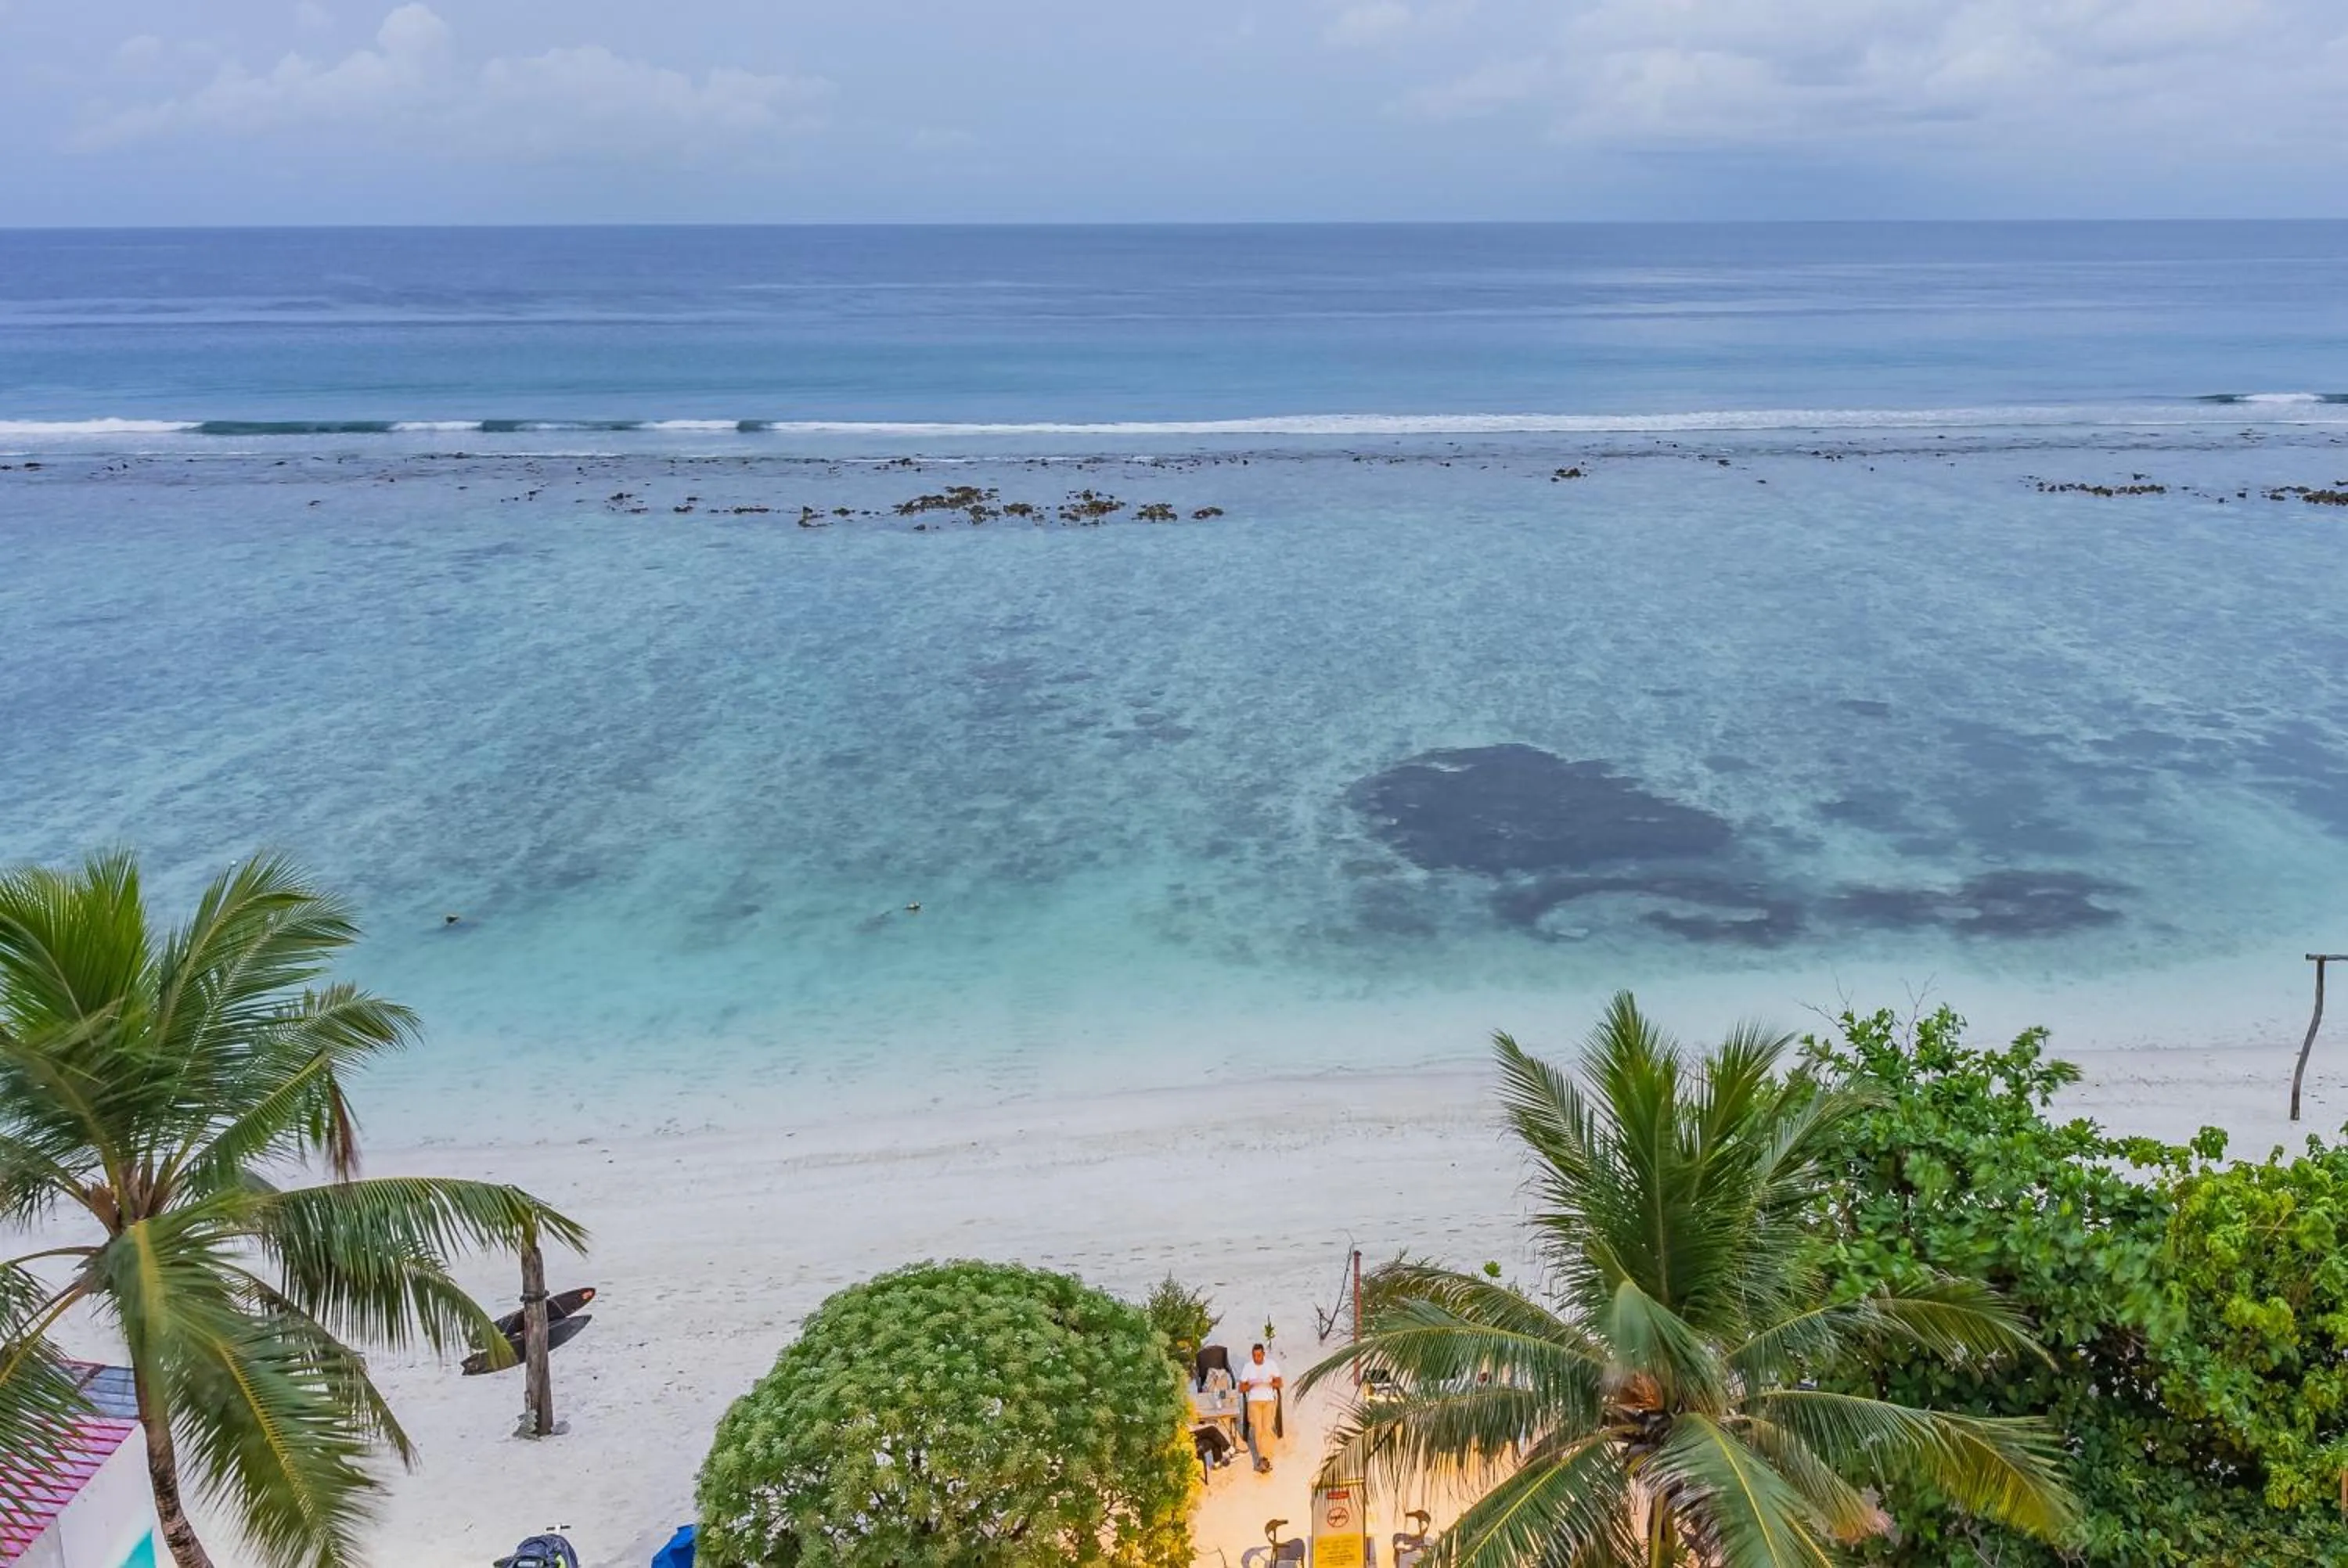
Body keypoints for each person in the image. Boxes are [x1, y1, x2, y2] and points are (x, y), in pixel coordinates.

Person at [1238, 1342, 1284, 1472]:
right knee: (1258, 1429)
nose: (1256, 1358)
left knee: (1267, 1428)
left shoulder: (1271, 1365)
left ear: (1263, 1354)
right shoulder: (1248, 1367)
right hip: (1254, 1401)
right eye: (1254, 1356)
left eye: (1259, 1355)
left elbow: (1280, 1383)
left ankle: (1266, 1459)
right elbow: (1241, 1388)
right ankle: (1262, 1459)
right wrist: (1252, 1384)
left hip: (1268, 1400)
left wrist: (1270, 1382)